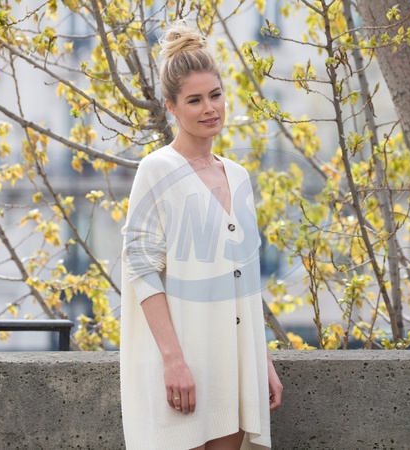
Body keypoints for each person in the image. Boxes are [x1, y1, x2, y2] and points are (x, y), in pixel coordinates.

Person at [119, 22, 283, 450]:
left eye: (215, 95)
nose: (210, 108)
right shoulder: (157, 170)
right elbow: (141, 268)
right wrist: (174, 361)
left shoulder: (239, 176)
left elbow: (245, 278)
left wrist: (262, 360)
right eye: (195, 100)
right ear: (172, 107)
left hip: (233, 365)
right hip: (182, 367)